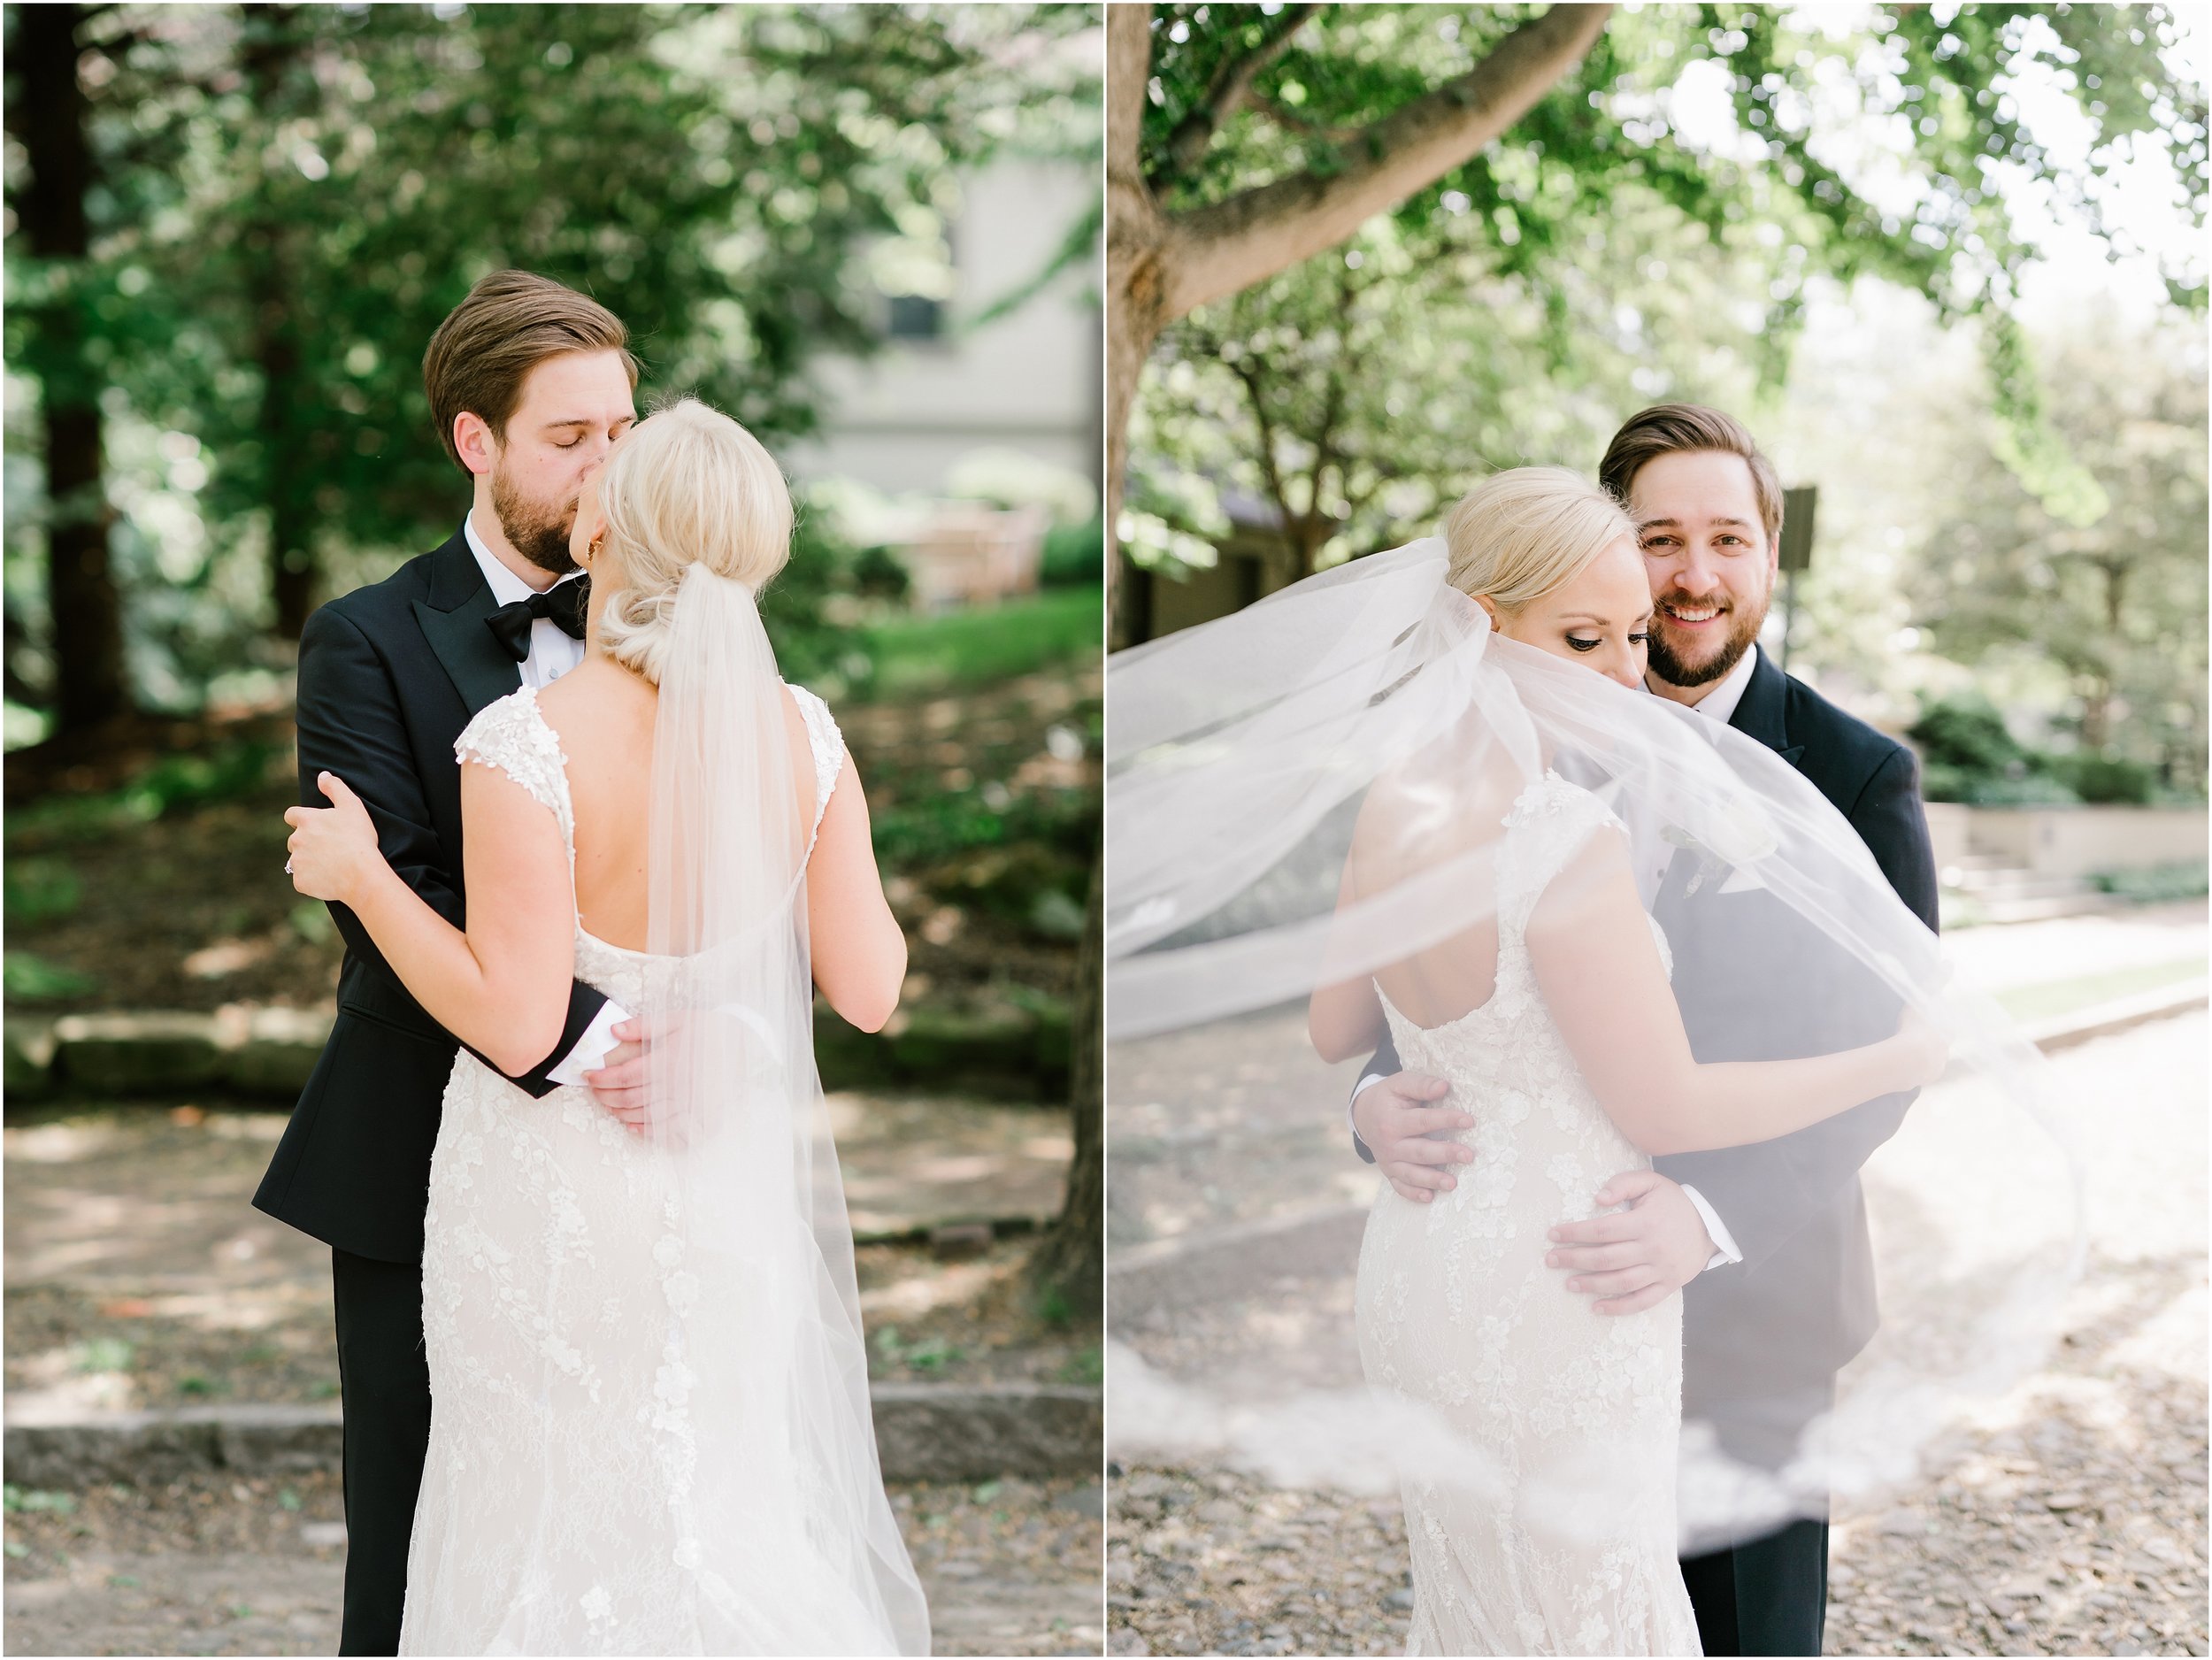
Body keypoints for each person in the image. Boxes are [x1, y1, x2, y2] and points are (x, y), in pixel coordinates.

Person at [283, 396, 929, 1653]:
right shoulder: (803, 733)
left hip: (548, 1197)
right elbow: (871, 987)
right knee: (718, 1508)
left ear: (605, 539)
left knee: (533, 1530)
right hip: (723, 1192)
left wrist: (362, 878)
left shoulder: (526, 743)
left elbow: (514, 1021)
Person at [1289, 467, 1937, 1654]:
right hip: (1562, 1288)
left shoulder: (1858, 771)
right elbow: (1376, 1049)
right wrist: (1376, 1101)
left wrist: (1713, 1214)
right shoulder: (1555, 810)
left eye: (1728, 538)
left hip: (1707, 1294)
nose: (1632, 659)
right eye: (1597, 626)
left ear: (1769, 553)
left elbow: (1339, 1010)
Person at [253, 270, 657, 1655]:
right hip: (423, 1149)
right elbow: (389, 888)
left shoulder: (680, 633)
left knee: (627, 1512)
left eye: (623, 430)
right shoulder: (365, 637)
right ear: (474, 441)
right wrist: (603, 1037)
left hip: (639, 1162)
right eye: (569, 437)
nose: (607, 465)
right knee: (421, 1534)